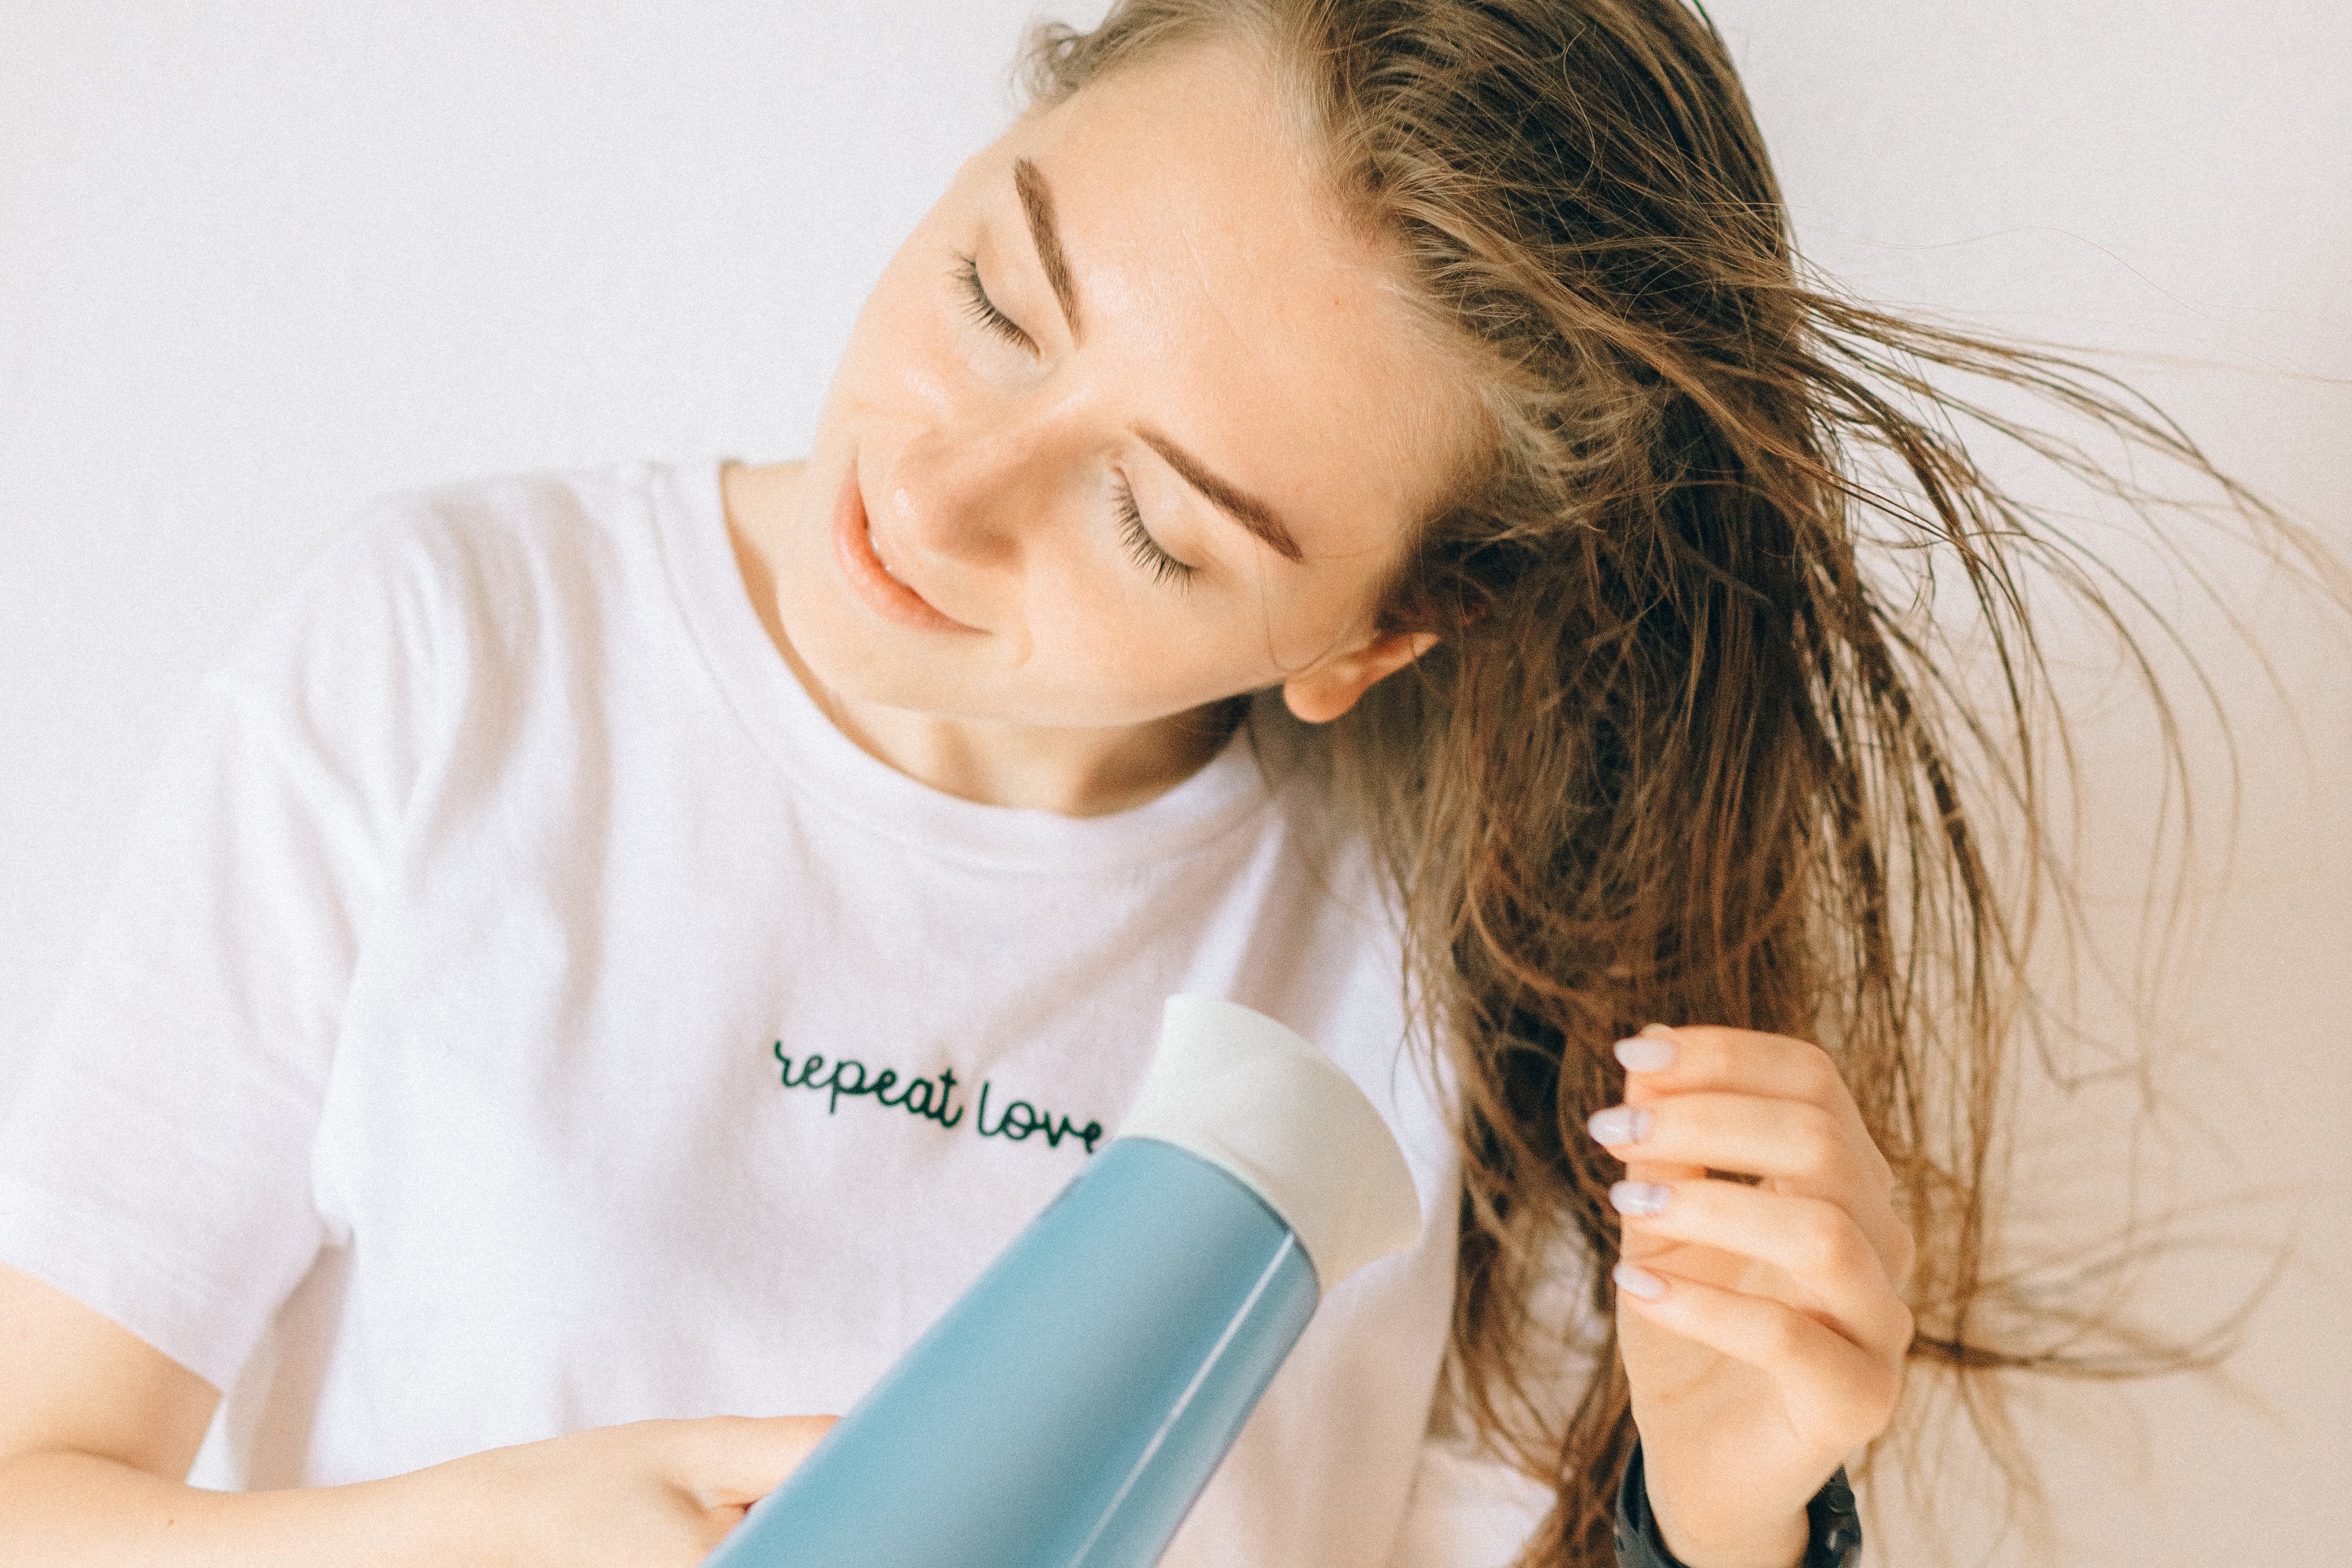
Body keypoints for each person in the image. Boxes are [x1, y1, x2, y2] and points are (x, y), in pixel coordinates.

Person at [0, 2, 2286, 1565]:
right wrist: (448, 1536)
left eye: (1160, 522)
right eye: (1003, 289)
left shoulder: (1452, 953)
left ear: (1362, 640)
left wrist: (1711, 1515)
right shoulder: (455, 657)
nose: (947, 481)